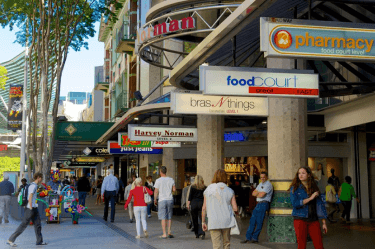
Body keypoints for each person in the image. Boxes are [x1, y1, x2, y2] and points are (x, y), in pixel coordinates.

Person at [290, 167, 328, 249]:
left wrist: (324, 222)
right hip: (300, 219)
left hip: (313, 220)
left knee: (319, 245)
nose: (301, 175)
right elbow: (295, 204)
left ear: (309, 175)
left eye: (303, 173)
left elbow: (320, 205)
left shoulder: (314, 187)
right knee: (301, 246)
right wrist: (310, 198)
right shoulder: (295, 188)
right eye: (299, 173)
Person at [7, 172, 47, 247]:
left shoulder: (34, 185)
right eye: (41, 178)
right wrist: (31, 207)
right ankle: (11, 239)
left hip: (34, 208)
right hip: (30, 208)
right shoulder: (33, 186)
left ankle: (39, 241)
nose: (41, 180)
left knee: (38, 224)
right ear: (38, 177)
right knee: (23, 225)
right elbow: (30, 196)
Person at [202, 169, 238, 249]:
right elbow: (235, 208)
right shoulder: (230, 190)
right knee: (226, 243)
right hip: (227, 220)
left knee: (216, 245)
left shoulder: (208, 190)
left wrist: (203, 222)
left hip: (213, 220)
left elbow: (204, 208)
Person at [241, 172, 273, 244]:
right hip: (258, 204)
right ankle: (248, 238)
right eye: (261, 177)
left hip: (264, 203)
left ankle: (255, 238)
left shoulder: (268, 185)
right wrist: (259, 193)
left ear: (267, 177)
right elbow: (253, 193)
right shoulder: (260, 184)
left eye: (263, 177)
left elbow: (261, 195)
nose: (262, 179)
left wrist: (258, 193)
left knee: (259, 222)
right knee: (252, 221)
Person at [154, 166, 176, 239]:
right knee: (169, 216)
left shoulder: (158, 180)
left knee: (163, 217)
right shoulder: (171, 179)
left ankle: (164, 233)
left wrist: (155, 199)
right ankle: (169, 232)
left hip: (162, 200)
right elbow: (174, 189)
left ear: (160, 172)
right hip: (170, 199)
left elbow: (156, 191)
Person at [187, 175, 206, 239]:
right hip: (201, 204)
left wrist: (188, 205)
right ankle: (202, 232)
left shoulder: (192, 187)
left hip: (194, 204)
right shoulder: (204, 187)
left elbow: (190, 197)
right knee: (201, 219)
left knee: (194, 220)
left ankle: (197, 233)